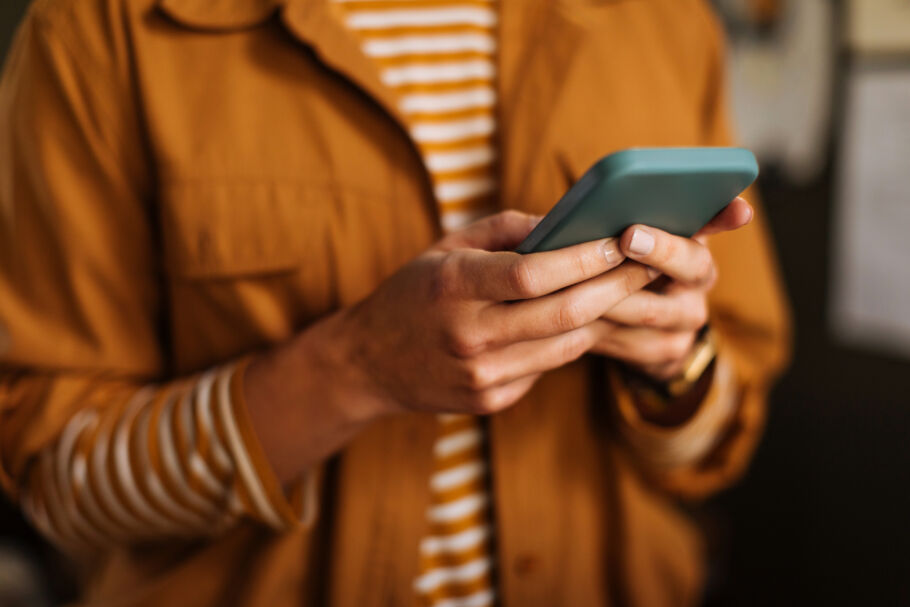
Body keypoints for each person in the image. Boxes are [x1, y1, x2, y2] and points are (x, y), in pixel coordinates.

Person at [0, 0, 791, 605]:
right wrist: (356, 368)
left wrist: (674, 364)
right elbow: (51, 474)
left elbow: (729, 424)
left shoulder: (665, 22)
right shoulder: (103, 30)